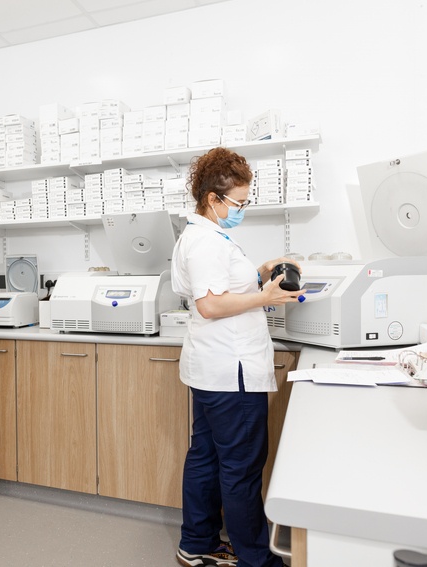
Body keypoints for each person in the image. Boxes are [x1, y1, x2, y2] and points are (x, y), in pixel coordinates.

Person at [170, 147, 304, 567]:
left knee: (206, 458)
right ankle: (255, 560)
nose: (241, 209)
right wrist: (264, 296)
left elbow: (224, 287)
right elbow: (210, 305)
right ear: (213, 198)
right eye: (238, 203)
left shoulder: (203, 236)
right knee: (242, 469)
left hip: (213, 371)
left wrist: (262, 272)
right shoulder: (206, 242)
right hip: (232, 373)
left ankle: (197, 544)